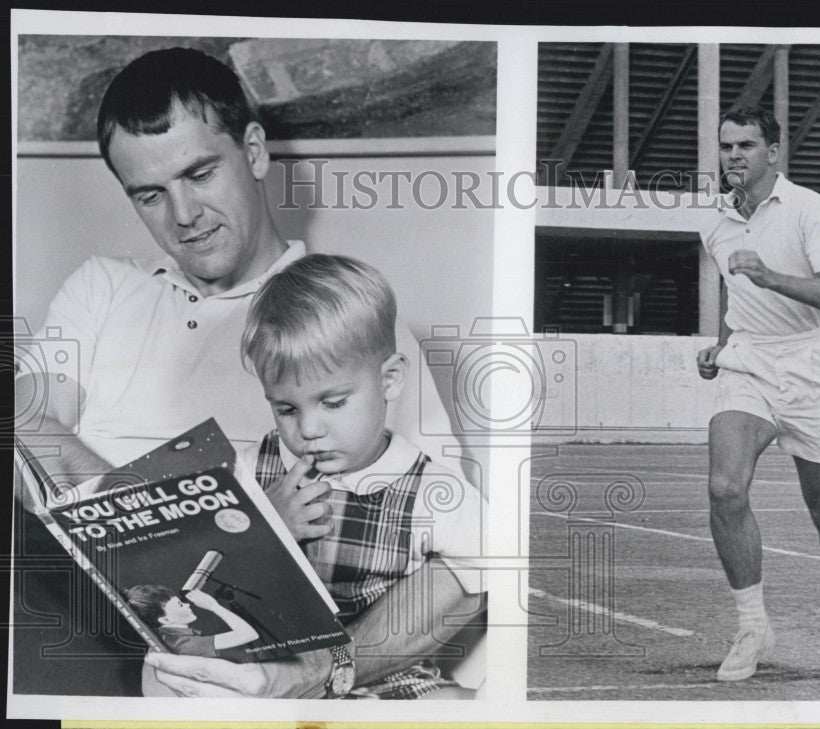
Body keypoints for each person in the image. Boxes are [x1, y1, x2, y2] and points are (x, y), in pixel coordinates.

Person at [12, 47, 478, 699]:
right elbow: (22, 435)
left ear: (254, 151)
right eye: (150, 194)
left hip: (266, 657)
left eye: (200, 173)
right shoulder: (101, 288)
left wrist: (316, 676)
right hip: (93, 632)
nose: (183, 216)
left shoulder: (346, 321)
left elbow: (463, 569)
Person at [227, 253, 486, 698]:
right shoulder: (254, 469)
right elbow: (208, 572)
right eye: (286, 408)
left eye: (333, 402)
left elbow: (490, 564)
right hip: (268, 673)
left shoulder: (432, 490)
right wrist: (263, 532)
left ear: (389, 381)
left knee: (455, 706)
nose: (308, 430)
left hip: (385, 679)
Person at [695, 106, 820, 686]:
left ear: (773, 152)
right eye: (726, 146)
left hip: (812, 362)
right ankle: (752, 626)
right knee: (725, 486)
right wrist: (719, 348)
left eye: (746, 145)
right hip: (749, 362)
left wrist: (770, 276)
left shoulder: (809, 208)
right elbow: (733, 294)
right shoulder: (714, 222)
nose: (734, 155)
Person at [124, 586, 260, 658]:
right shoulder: (186, 645)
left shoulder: (168, 638)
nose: (188, 605)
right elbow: (249, 634)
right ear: (166, 619)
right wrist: (214, 606)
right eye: (180, 605)